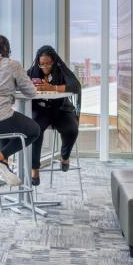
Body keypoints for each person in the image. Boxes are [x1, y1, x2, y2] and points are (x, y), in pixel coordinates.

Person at [0, 34, 45, 186]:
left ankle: (3, 164)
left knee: (7, 119)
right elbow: (31, 92)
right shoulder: (12, 64)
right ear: (5, 48)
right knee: (34, 130)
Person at [26, 45, 82, 185]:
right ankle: (35, 170)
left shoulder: (61, 70)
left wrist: (53, 88)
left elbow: (76, 86)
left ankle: (65, 157)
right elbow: (20, 84)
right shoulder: (33, 71)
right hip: (41, 110)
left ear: (54, 61)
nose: (44, 66)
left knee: (72, 129)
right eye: (42, 63)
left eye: (48, 63)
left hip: (61, 109)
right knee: (35, 131)